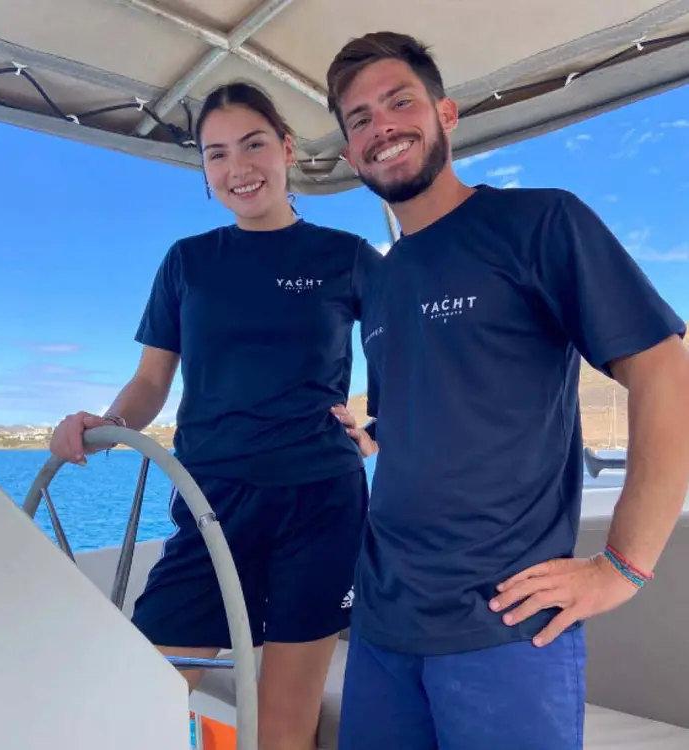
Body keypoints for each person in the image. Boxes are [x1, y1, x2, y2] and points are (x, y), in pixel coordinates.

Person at [324, 31, 689, 750]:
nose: (381, 126)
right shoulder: (381, 281)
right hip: (382, 624)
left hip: (505, 625)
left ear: (446, 114)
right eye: (360, 119)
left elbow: (665, 370)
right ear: (349, 153)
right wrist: (360, 436)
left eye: (399, 102)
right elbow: (411, 418)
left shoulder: (539, 224)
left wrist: (622, 567)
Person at [49, 80, 382, 750]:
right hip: (211, 506)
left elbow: (410, 356)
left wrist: (380, 427)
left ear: (287, 149)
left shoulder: (345, 256)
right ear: (204, 170)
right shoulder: (188, 262)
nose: (239, 167)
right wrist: (102, 426)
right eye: (218, 154)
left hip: (319, 505)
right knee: (136, 695)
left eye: (254, 145)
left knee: (283, 729)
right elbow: (151, 381)